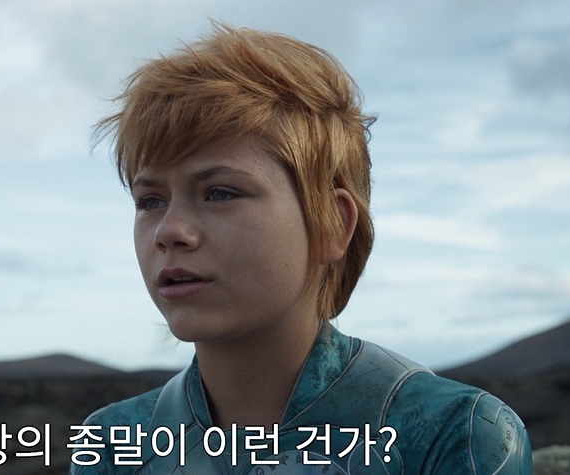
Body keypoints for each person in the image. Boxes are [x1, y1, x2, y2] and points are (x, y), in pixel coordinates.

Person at [71, 23, 531, 474]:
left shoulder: (455, 436)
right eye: (150, 201)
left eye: (220, 193)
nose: (170, 231)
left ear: (332, 223)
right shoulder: (113, 444)